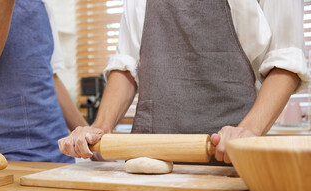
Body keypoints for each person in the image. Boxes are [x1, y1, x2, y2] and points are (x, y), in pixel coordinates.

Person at [58, 0, 309, 164]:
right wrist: (101, 127)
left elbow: (284, 58)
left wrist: (249, 131)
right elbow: (126, 62)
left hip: (230, 154)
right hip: (146, 156)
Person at [0, 0, 88, 162]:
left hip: (56, 146)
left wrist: (86, 133)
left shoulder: (42, 4)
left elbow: (51, 77)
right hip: (1, 149)